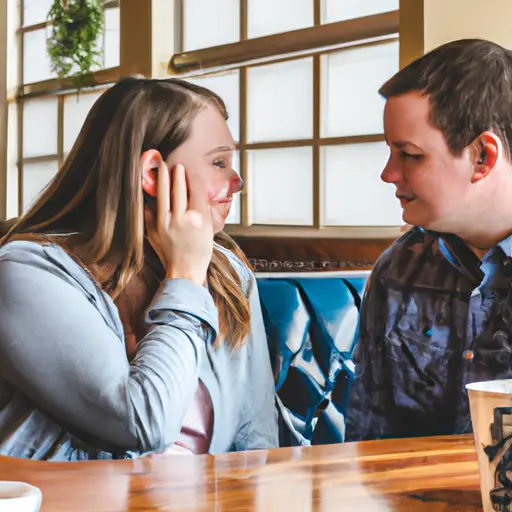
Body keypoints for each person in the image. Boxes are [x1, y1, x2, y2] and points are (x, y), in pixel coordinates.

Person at [0, 77, 278, 460]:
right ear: (152, 173)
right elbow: (144, 422)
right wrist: (184, 276)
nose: (237, 181)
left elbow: (256, 436)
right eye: (219, 162)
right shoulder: (26, 274)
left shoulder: (228, 273)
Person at [345, 39, 512, 441]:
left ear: (482, 158)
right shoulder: (399, 268)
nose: (388, 173)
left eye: (409, 154)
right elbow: (370, 442)